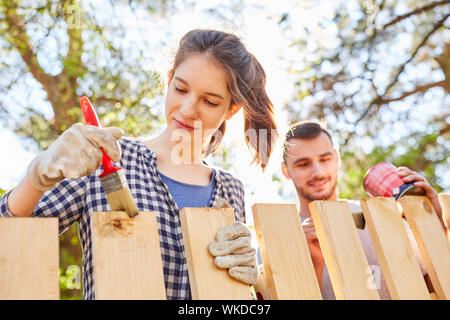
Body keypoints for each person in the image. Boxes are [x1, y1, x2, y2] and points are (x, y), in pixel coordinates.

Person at [0, 29, 278, 300]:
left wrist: (255, 286)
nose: (187, 109)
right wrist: (36, 179)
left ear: (232, 109)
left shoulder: (230, 190)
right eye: (180, 89)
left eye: (209, 101)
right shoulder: (104, 157)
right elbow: (8, 235)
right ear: (169, 80)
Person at [278, 120, 447, 299]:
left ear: (337, 158)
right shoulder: (278, 241)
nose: (318, 172)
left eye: (325, 159)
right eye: (303, 164)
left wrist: (435, 226)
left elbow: (432, 285)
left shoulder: (381, 217)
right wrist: (313, 264)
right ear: (285, 170)